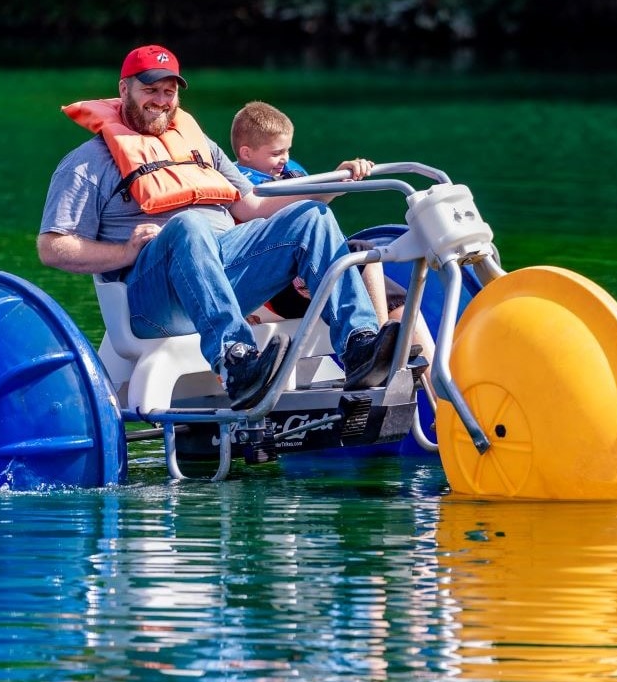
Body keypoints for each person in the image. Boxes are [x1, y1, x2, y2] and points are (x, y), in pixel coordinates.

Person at [37, 44, 399, 410]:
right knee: (189, 224)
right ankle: (236, 361)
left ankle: (358, 345)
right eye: (150, 89)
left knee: (310, 216)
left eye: (169, 91)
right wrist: (125, 252)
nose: (161, 100)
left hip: (225, 274)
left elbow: (254, 206)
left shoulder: (200, 148)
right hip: (153, 301)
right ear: (123, 89)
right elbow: (52, 247)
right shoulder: (86, 164)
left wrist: (331, 186)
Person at [231, 100, 406, 326]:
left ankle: (423, 351)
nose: (285, 158)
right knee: (363, 253)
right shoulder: (242, 185)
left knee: (399, 300)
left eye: (287, 150)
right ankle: (376, 339)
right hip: (283, 285)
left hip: (315, 263)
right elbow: (273, 213)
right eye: (276, 153)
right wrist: (334, 185)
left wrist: (346, 175)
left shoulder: (290, 170)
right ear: (246, 153)